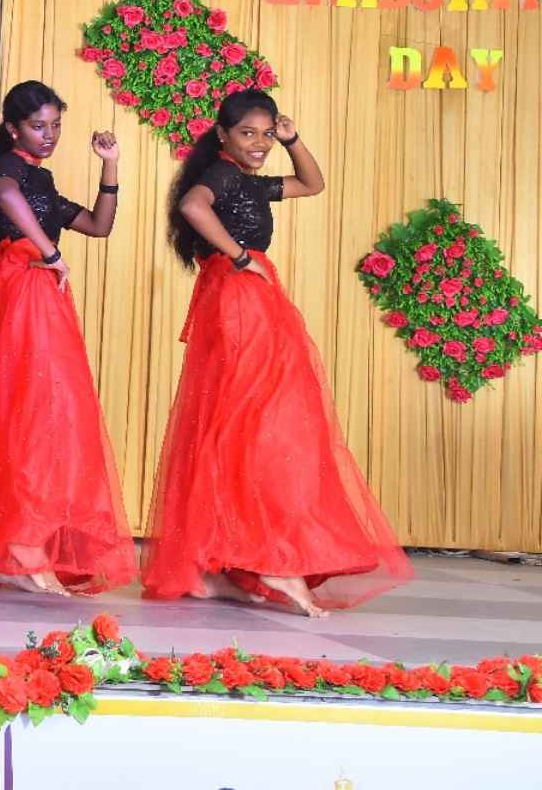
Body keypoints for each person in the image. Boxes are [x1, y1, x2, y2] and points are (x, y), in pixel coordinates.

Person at [145, 88, 411, 616]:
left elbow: (312, 183)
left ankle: (217, 568)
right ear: (222, 135)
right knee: (260, 422)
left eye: (266, 134)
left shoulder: (247, 179)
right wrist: (241, 257)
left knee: (239, 424)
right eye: (248, 133)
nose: (260, 143)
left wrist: (293, 140)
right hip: (241, 301)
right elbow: (192, 205)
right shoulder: (222, 175)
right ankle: (272, 560)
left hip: (242, 299)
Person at [0, 80, 135, 596]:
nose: (48, 135)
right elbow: (6, 195)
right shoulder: (9, 168)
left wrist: (110, 166)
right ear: (13, 129)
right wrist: (50, 252)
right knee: (33, 409)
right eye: (37, 126)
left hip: (44, 293)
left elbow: (98, 225)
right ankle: (22, 546)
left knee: (46, 412)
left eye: (55, 126)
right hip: (27, 288)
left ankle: (20, 543)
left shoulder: (40, 179)